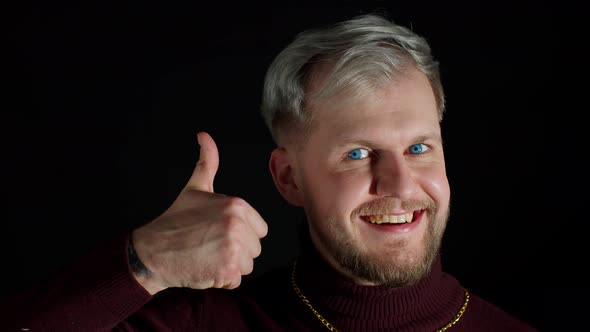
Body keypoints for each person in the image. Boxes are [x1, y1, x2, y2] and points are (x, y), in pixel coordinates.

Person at [2, 13, 538, 331]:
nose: (399, 185)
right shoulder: (209, 324)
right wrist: (148, 262)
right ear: (288, 179)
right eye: (356, 154)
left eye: (419, 147)